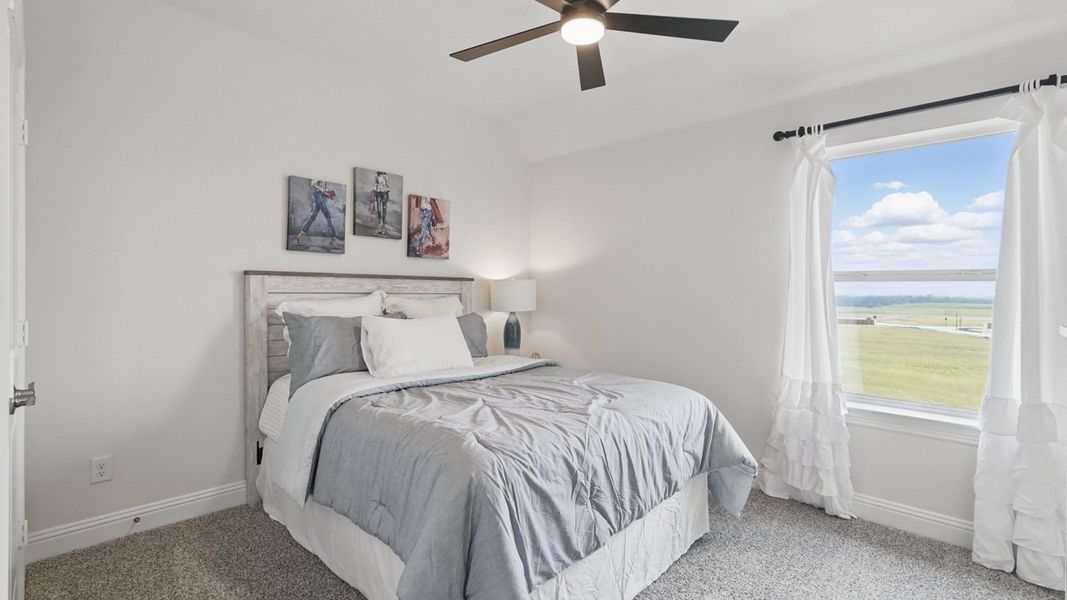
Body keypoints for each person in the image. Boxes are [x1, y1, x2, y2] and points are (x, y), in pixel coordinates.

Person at [295, 179, 341, 248]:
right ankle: (333, 239)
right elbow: (313, 184)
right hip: (319, 195)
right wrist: (324, 192)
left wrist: (328, 194)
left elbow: (322, 187)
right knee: (329, 216)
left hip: (320, 196)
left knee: (312, 216)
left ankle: (300, 235)